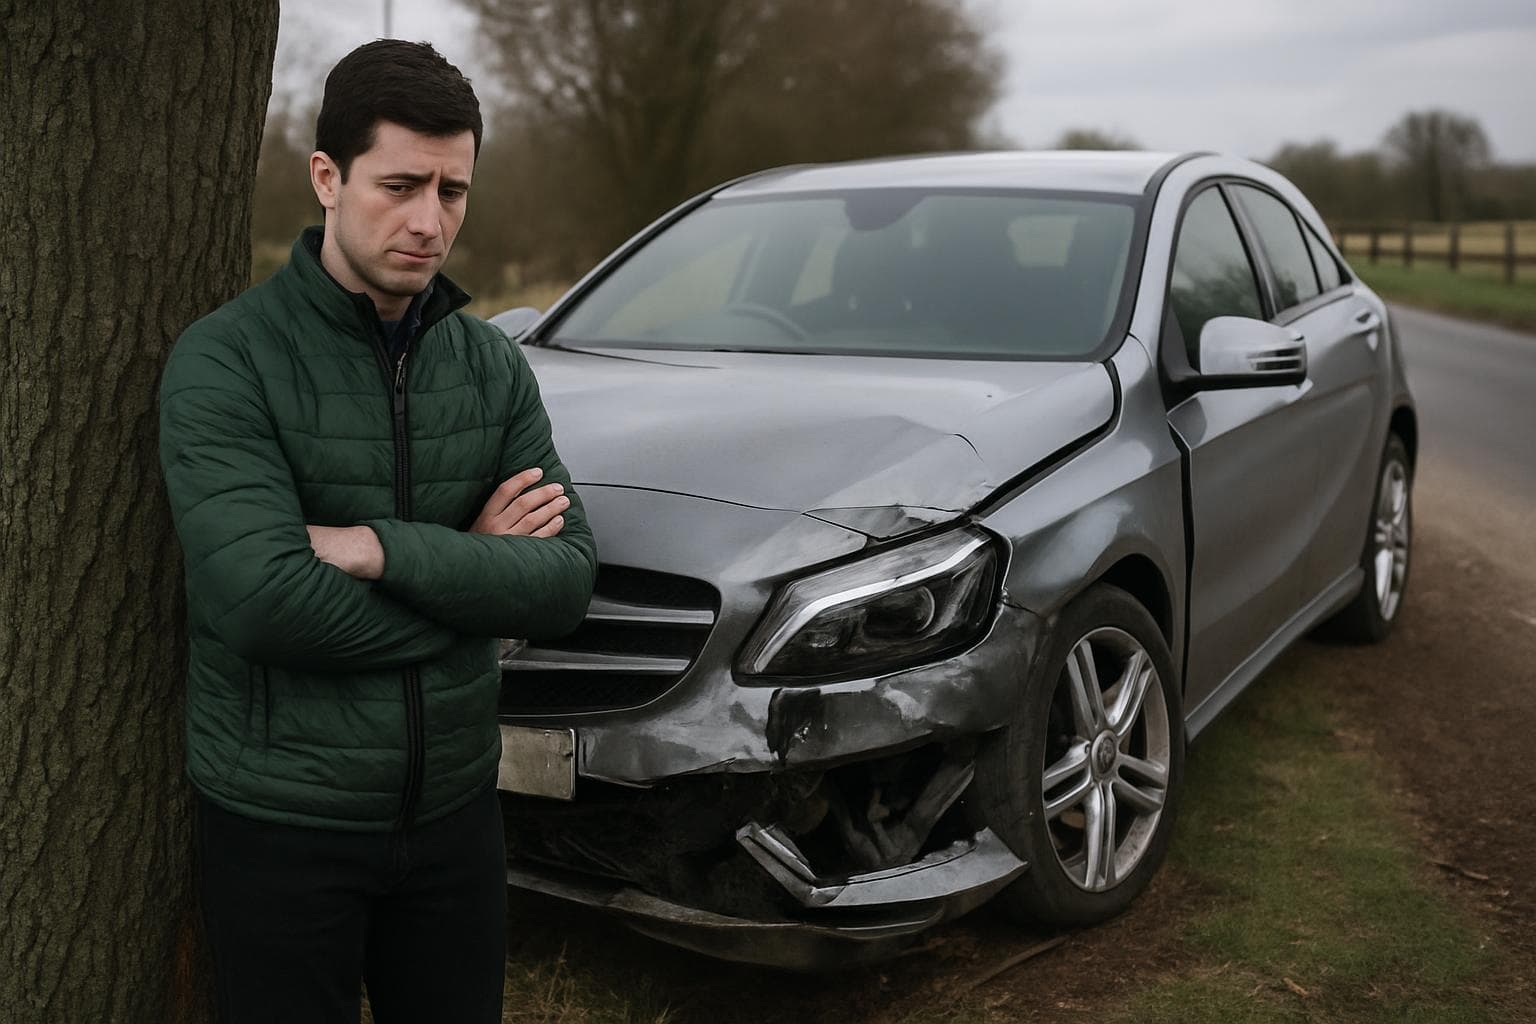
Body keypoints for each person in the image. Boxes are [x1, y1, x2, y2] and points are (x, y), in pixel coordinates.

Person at [158, 39, 596, 1023]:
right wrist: (474, 583)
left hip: (454, 819)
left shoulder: (490, 367)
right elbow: (266, 603)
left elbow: (566, 579)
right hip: (282, 825)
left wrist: (379, 548)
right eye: (399, 184)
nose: (428, 220)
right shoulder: (229, 362)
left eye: (452, 191)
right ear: (327, 176)